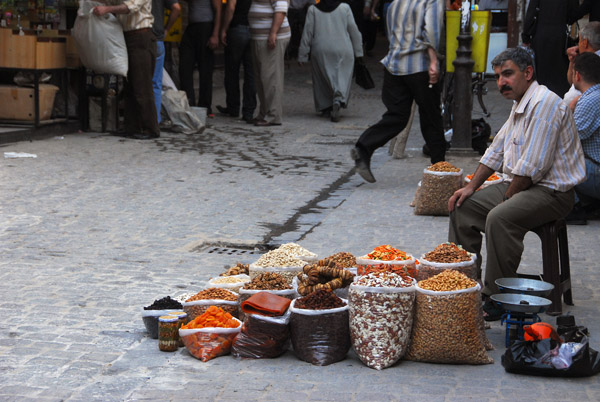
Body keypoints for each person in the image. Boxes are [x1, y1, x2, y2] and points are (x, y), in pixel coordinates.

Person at [447, 47, 586, 320]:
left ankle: (495, 296)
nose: (501, 82)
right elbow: (495, 151)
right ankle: (464, 285)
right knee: (463, 206)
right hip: (524, 184)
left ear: (528, 73)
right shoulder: (519, 104)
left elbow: (532, 167)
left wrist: (505, 199)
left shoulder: (544, 103)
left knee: (500, 217)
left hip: (553, 191)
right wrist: (471, 187)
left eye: (507, 74)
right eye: (498, 76)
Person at [351, 0, 445, 183]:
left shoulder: (395, 3)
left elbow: (390, 32)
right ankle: (440, 170)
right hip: (419, 65)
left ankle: (363, 147)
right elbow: (432, 33)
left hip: (394, 66)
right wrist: (434, 62)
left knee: (397, 116)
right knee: (431, 117)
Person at [93, 0, 160, 140]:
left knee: (142, 85)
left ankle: (150, 128)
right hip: (126, 36)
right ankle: (131, 126)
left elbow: (130, 7)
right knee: (129, 84)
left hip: (141, 36)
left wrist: (106, 9)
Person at [297, 0, 363, 122]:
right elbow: (354, 30)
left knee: (322, 78)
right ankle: (338, 99)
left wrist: (303, 55)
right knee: (342, 75)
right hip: (343, 48)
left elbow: (307, 32)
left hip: (320, 49)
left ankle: (326, 106)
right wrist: (359, 52)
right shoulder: (345, 8)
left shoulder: (313, 9)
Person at [566, 53, 600, 225]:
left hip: (597, 172)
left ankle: (574, 208)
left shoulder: (589, 100)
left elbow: (567, 140)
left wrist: (569, 109)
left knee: (555, 156)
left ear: (576, 75)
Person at [522, 0, 580, 97]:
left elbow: (531, 14)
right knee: (560, 74)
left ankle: (542, 101)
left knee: (542, 74)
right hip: (560, 38)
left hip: (541, 37)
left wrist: (526, 36)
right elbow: (573, 14)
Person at [248, 0, 291, 126]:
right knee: (261, 78)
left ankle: (273, 115)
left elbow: (281, 10)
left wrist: (273, 32)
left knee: (271, 77)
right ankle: (263, 113)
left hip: (271, 38)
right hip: (259, 38)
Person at [216, 0, 257, 123]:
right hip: (254, 29)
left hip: (237, 28)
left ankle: (233, 107)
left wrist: (224, 29)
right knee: (251, 73)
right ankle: (248, 111)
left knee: (232, 71)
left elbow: (231, 6)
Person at [179, 0, 221, 115]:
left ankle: (205, 106)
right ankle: (189, 104)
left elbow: (218, 10)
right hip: (192, 27)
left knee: (205, 69)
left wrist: (215, 34)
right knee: (184, 67)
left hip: (206, 27)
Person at [152, 0, 181, 124]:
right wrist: (166, 30)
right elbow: (177, 8)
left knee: (139, 81)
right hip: (158, 39)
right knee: (156, 83)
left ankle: (143, 121)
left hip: (143, 38)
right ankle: (155, 121)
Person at [563, 22, 600, 108]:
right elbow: (573, 82)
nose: (577, 45)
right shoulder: (585, 59)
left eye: (579, 41)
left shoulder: (590, 63)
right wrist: (572, 62)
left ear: (585, 43)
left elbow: (569, 99)